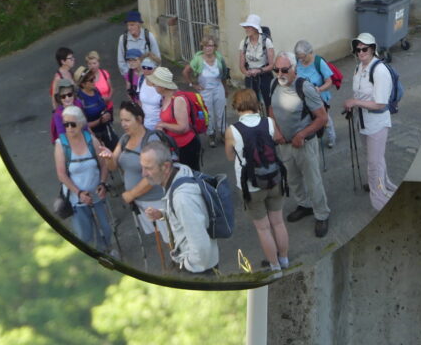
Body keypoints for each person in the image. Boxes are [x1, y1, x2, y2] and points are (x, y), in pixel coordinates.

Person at [225, 89, 289, 275]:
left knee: (263, 228)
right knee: (278, 222)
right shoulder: (268, 122)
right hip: (274, 178)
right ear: (255, 104)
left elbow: (230, 156)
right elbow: (277, 139)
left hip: (251, 185)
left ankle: (274, 266)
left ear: (236, 107)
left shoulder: (233, 130)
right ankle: (284, 258)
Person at [268, 52, 330, 237]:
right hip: (283, 144)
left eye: (284, 70)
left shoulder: (305, 88)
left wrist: (302, 134)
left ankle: (321, 214)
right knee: (293, 179)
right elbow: (271, 108)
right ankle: (304, 205)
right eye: (276, 70)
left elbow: (322, 118)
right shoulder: (273, 84)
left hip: (304, 144)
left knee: (313, 181)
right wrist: (276, 130)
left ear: (294, 69)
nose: (280, 74)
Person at [97, 101, 170, 245]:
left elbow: (155, 175)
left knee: (169, 237)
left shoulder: (151, 140)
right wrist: (108, 158)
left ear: (139, 119)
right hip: (140, 202)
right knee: (159, 237)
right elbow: (113, 166)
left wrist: (131, 194)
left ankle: (182, 263)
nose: (123, 124)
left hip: (156, 199)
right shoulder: (124, 139)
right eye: (121, 120)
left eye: (127, 120)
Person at [141, 140, 218, 274]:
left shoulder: (182, 198)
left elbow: (201, 246)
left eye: (148, 168)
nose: (143, 174)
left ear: (165, 167)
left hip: (200, 270)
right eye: (142, 167)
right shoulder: (177, 173)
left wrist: (186, 265)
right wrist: (163, 214)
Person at [343, 32, 398, 211]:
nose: (360, 52)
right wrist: (354, 103)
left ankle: (379, 201)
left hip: (377, 124)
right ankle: (386, 185)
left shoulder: (379, 71)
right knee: (375, 159)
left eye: (364, 49)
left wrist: (355, 102)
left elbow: (381, 103)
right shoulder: (359, 68)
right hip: (363, 122)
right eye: (357, 49)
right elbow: (362, 94)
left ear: (373, 49)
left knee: (374, 164)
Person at [54, 105, 114, 255]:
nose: (68, 127)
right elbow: (61, 174)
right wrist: (79, 193)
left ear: (81, 123)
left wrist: (102, 183)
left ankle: (104, 255)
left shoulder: (92, 141)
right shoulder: (61, 145)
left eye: (72, 124)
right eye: (65, 124)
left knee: (105, 230)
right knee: (84, 236)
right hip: (77, 201)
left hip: (96, 196)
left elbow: (104, 165)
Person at [147, 67, 203, 171]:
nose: (153, 85)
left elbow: (183, 127)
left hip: (186, 146)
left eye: (155, 83)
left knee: (191, 176)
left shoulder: (178, 100)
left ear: (162, 86)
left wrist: (163, 125)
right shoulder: (165, 98)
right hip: (175, 146)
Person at [183, 35, 227, 148]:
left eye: (211, 45)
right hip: (205, 91)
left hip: (218, 88)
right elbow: (185, 71)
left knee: (221, 112)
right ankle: (211, 135)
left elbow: (224, 75)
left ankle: (223, 133)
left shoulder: (219, 58)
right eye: (206, 46)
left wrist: (225, 88)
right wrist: (193, 84)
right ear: (202, 47)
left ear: (215, 47)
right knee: (208, 114)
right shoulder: (198, 59)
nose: (208, 48)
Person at [294, 39, 337, 149]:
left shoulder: (319, 62)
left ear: (310, 52)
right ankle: (312, 139)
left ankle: (331, 137)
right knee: (308, 119)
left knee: (324, 119)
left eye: (303, 56)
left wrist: (319, 89)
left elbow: (329, 82)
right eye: (299, 57)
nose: (301, 59)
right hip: (304, 97)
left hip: (320, 97)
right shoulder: (297, 62)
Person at [238, 14, 275, 112]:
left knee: (268, 103)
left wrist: (259, 70)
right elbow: (241, 65)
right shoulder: (244, 42)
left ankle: (269, 123)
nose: (246, 29)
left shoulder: (266, 41)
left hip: (265, 76)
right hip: (250, 78)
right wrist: (246, 72)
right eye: (246, 27)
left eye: (249, 27)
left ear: (255, 28)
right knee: (251, 104)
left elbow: (272, 65)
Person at [74, 66, 116, 150]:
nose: (94, 81)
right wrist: (99, 121)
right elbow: (83, 124)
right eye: (91, 80)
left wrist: (106, 113)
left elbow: (102, 105)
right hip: (94, 136)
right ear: (83, 84)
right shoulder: (80, 100)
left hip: (107, 130)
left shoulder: (95, 90)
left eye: (94, 78)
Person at [117, 10, 160, 78]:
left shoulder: (149, 36)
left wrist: (152, 75)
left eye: (132, 25)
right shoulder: (123, 39)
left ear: (139, 24)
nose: (129, 28)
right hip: (131, 76)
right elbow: (121, 61)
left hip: (148, 76)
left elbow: (157, 58)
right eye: (128, 25)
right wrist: (129, 77)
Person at [137, 57, 162, 132]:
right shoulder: (141, 80)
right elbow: (140, 102)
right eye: (144, 67)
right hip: (145, 125)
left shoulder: (162, 83)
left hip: (160, 126)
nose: (146, 70)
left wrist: (162, 125)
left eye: (149, 68)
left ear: (156, 69)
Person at [50, 77, 77, 144]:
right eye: (63, 96)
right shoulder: (58, 115)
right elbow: (62, 135)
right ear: (59, 98)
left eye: (69, 94)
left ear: (73, 94)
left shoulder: (78, 104)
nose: (67, 98)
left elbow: (85, 125)